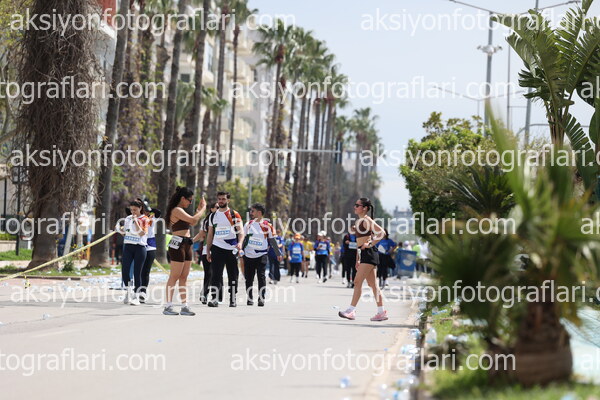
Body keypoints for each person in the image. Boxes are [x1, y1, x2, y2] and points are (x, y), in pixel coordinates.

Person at [338, 197, 388, 322]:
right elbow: (359, 243)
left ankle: (351, 310)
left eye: (357, 205)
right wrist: (358, 259)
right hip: (364, 254)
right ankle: (381, 312)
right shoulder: (359, 221)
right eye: (355, 205)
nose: (354, 207)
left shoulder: (366, 220)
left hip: (369, 254)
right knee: (373, 285)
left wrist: (370, 244)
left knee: (357, 281)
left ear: (364, 208)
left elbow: (381, 233)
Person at [163, 187, 206, 316]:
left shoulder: (182, 211)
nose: (190, 203)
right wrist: (203, 209)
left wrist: (198, 210)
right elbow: (193, 220)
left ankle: (184, 306)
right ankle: (168, 306)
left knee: (184, 277)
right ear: (182, 198)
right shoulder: (176, 210)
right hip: (178, 243)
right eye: (189, 200)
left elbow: (192, 222)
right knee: (174, 275)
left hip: (187, 243)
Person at [206, 191, 245, 308]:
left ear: (228, 200)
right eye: (219, 199)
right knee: (216, 274)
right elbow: (210, 234)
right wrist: (208, 250)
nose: (221, 201)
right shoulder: (213, 216)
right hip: (217, 248)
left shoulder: (234, 214)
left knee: (233, 274)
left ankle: (233, 298)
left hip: (231, 249)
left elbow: (241, 231)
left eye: (223, 199)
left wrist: (240, 243)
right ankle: (214, 298)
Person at [242, 203, 282, 306]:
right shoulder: (248, 224)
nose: (251, 213)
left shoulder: (267, 226)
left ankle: (261, 298)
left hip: (261, 254)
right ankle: (249, 298)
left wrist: (278, 253)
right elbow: (242, 238)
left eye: (253, 211)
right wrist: (240, 250)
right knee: (249, 278)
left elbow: (272, 240)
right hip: (248, 255)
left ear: (259, 213)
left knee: (261, 276)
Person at [115, 200, 150, 306]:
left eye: (135, 210)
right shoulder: (128, 218)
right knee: (125, 270)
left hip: (140, 247)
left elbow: (141, 233)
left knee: (137, 272)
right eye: (131, 210)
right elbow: (126, 233)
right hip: (128, 246)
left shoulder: (145, 219)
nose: (133, 212)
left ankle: (136, 296)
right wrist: (119, 230)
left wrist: (136, 221)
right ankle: (128, 291)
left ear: (140, 208)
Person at [194, 202, 221, 304]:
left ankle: (217, 296)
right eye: (216, 207)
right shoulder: (206, 221)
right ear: (211, 209)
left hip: (220, 249)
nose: (218, 209)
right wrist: (192, 241)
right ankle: (204, 293)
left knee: (216, 273)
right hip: (207, 249)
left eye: (219, 207)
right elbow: (201, 234)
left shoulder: (224, 219)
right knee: (208, 273)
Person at [139, 200, 161, 304]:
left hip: (150, 246)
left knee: (146, 271)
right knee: (139, 270)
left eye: (147, 211)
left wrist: (149, 208)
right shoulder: (138, 218)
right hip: (140, 244)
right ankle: (137, 290)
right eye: (145, 211)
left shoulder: (152, 218)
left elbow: (158, 212)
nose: (146, 213)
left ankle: (143, 292)